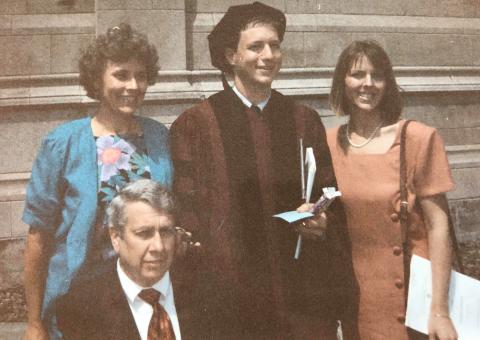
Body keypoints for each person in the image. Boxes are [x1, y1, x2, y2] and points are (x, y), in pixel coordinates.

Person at [170, 2, 357, 339]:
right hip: (229, 300)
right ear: (231, 55)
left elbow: (329, 195)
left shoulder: (303, 120)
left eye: (274, 45)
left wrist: (323, 220)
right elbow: (187, 214)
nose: (268, 55)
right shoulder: (196, 124)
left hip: (300, 296)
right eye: (255, 46)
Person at [23, 24, 173, 339]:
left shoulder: (160, 138)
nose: (133, 85)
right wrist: (34, 322)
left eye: (141, 75)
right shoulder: (62, 143)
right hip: (79, 302)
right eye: (121, 74)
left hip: (144, 301)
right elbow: (38, 237)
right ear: (96, 79)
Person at [327, 40, 457, 339]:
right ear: (342, 82)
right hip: (357, 298)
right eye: (357, 74)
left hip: (413, 294)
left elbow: (439, 226)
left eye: (378, 75)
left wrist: (439, 311)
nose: (368, 84)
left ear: (389, 84)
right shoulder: (328, 143)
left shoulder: (419, 139)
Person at [56, 179, 201, 340]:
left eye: (166, 232)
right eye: (144, 233)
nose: (158, 247)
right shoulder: (81, 306)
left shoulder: (210, 295)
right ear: (116, 237)